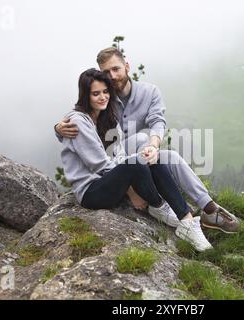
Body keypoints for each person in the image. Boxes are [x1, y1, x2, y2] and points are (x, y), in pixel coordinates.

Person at [56, 47, 240, 234]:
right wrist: (58, 128)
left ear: (127, 66)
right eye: (106, 72)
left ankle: (209, 209)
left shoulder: (150, 92)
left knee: (168, 156)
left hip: (135, 153)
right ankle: (153, 196)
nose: (112, 76)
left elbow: (157, 121)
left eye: (116, 69)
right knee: (141, 141)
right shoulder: (103, 96)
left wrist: (153, 145)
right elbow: (82, 121)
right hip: (114, 161)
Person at [61, 68, 212, 252]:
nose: (103, 97)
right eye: (96, 93)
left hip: (110, 182)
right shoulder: (77, 122)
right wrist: (132, 191)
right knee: (137, 163)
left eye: (106, 92)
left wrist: (138, 164)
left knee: (150, 156)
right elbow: (99, 165)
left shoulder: (107, 117)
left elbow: (120, 155)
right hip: (91, 192)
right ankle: (157, 204)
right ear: (86, 95)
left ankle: (187, 222)